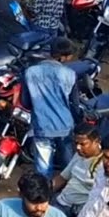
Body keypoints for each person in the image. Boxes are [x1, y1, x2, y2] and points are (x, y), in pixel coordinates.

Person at [24, 38, 78, 177]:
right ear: (64, 56)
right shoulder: (70, 74)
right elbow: (75, 104)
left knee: (43, 167)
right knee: (68, 165)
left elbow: (25, 102)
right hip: (65, 126)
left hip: (42, 125)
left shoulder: (30, 72)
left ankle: (43, 193)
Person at [53, 123, 104, 217]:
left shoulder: (105, 163)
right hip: (63, 202)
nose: (78, 147)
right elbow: (62, 178)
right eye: (76, 143)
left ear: (96, 141)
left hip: (83, 210)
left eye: (83, 144)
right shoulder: (78, 155)